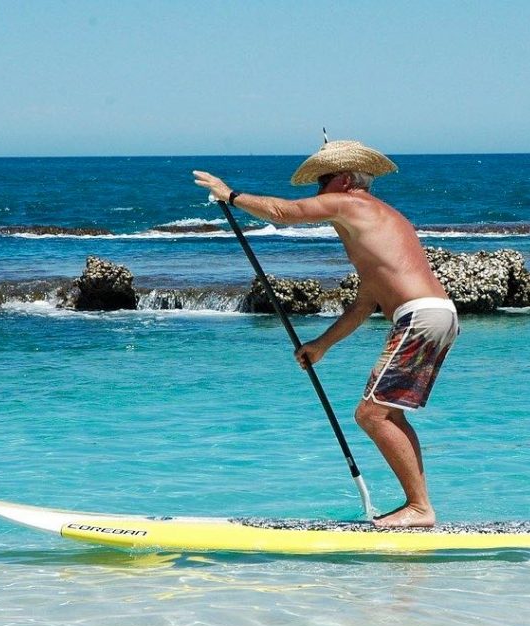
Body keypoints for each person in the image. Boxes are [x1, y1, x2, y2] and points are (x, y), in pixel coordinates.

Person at [193, 140, 458, 527]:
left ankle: (419, 508)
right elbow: (364, 304)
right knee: (385, 414)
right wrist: (321, 345)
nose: (319, 191)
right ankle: (419, 505)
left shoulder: (352, 204)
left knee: (372, 414)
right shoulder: (378, 223)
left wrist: (230, 195)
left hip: (420, 317)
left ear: (346, 180)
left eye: (324, 181)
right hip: (436, 315)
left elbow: (284, 212)